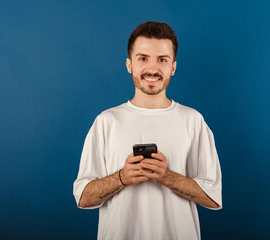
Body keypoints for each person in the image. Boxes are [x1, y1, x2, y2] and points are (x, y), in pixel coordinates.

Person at [73, 21, 222, 240]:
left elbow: (213, 198)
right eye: (143, 58)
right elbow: (83, 198)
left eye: (162, 60)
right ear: (129, 65)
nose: (152, 69)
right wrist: (122, 178)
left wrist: (166, 177)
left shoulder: (193, 121)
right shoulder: (106, 122)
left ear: (173, 67)